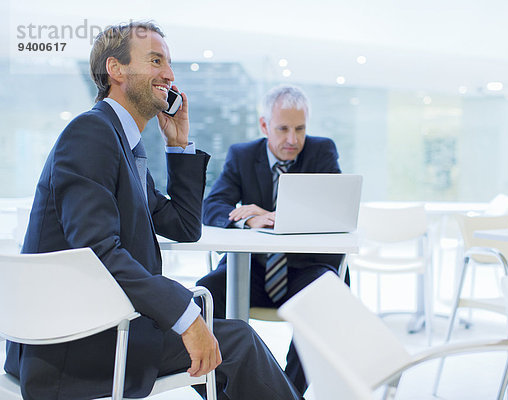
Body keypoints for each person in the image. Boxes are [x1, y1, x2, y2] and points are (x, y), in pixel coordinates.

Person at [3, 22, 302, 400]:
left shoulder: (122, 145)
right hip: (76, 345)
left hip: (102, 327)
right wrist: (186, 317)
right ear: (116, 70)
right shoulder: (91, 134)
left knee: (229, 342)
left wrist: (179, 146)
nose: (169, 74)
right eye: (156, 60)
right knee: (237, 342)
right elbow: (98, 251)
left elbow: (184, 226)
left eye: (169, 63)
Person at [198, 85, 346, 394]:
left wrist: (277, 216)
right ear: (265, 126)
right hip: (249, 271)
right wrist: (249, 218)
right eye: (283, 129)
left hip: (303, 271)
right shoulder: (242, 155)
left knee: (328, 296)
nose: (293, 139)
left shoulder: (322, 152)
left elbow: (334, 213)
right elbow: (212, 207)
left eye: (300, 129)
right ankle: (227, 393)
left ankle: (287, 393)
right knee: (203, 299)